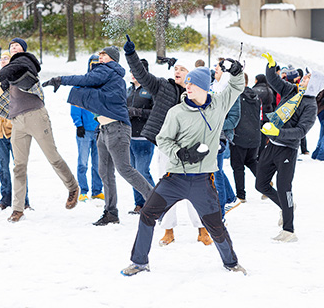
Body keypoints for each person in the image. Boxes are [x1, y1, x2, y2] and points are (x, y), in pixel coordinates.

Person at [121, 63, 247, 277]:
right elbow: (163, 139)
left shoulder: (218, 105)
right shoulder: (176, 112)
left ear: (205, 87)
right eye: (187, 84)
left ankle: (231, 263)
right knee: (148, 215)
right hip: (174, 179)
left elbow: (236, 87)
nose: (188, 87)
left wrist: (236, 72)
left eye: (193, 84)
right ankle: (139, 262)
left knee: (216, 226)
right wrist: (181, 153)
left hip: (202, 181)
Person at [0, 37, 79, 222]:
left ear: (23, 49)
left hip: (35, 115)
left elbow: (8, 70)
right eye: (11, 47)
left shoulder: (26, 60)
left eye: (17, 45)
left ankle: (72, 186)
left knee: (53, 157)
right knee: (18, 166)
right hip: (17, 121)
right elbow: (5, 80)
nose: (14, 48)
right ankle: (18, 209)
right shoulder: (11, 73)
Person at [42, 46, 153, 226]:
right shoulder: (108, 75)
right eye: (100, 54)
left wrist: (61, 80)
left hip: (117, 128)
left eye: (104, 55)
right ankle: (111, 213)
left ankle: (154, 200)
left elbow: (85, 80)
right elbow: (91, 87)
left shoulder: (108, 70)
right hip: (104, 129)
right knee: (104, 171)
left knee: (125, 169)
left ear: (113, 59)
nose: (100, 57)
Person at [123, 35, 212, 246]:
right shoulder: (164, 87)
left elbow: (212, 119)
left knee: (197, 190)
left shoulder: (200, 97)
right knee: (166, 189)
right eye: (176, 69)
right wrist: (130, 55)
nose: (177, 72)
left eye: (182, 69)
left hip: (193, 150)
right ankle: (168, 230)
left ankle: (202, 230)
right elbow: (143, 76)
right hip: (167, 148)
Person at [256, 53, 317, 242]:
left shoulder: (310, 105)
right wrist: (271, 66)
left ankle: (289, 230)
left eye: (308, 78)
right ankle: (286, 206)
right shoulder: (292, 91)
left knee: (284, 188)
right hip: (272, 146)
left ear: (314, 84)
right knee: (261, 185)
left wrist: (277, 132)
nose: (303, 78)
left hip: (287, 150)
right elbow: (273, 80)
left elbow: (301, 131)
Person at [0, 50, 30, 210]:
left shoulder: (19, 80)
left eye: (7, 58)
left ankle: (24, 201)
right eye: (2, 58)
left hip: (16, 132)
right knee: (3, 167)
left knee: (19, 168)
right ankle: (5, 199)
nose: (4, 60)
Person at [210, 59, 241, 217]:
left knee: (216, 174)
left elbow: (234, 118)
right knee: (217, 172)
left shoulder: (230, 91)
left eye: (219, 67)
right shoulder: (210, 86)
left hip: (219, 137)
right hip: (205, 137)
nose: (215, 68)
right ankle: (231, 198)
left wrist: (215, 124)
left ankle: (220, 212)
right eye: (216, 66)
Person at [71, 55, 103, 202]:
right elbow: (75, 105)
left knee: (98, 164)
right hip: (84, 130)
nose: (95, 67)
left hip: (100, 131)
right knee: (82, 163)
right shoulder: (82, 84)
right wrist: (79, 124)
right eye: (93, 64)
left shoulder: (104, 85)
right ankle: (83, 190)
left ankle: (97, 191)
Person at [127, 58, 155, 214]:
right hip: (129, 137)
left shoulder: (150, 90)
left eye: (136, 71)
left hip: (144, 137)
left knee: (142, 172)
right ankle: (139, 204)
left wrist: (137, 112)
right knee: (133, 173)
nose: (133, 74)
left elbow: (156, 112)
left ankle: (153, 202)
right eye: (131, 71)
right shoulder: (128, 90)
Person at [230, 73, 261, 202]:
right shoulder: (255, 96)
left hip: (240, 135)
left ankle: (241, 195)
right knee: (251, 161)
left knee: (237, 166)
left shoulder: (236, 96)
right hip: (254, 134)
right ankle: (265, 180)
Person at [252, 74, 275, 157]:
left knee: (257, 135)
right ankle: (262, 153)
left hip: (258, 115)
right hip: (268, 115)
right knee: (264, 136)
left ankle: (256, 153)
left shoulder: (254, 90)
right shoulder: (269, 90)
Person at [312, 89, 324, 161]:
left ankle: (316, 154)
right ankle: (321, 155)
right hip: (322, 111)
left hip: (320, 111)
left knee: (322, 134)